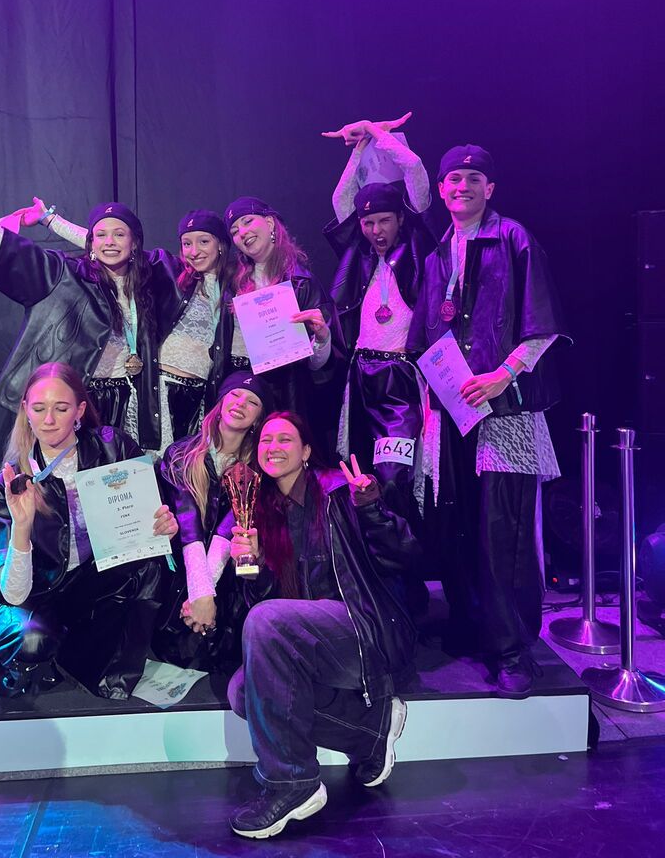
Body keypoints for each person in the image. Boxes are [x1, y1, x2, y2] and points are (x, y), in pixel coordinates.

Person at [407, 145, 568, 698]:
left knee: (505, 533)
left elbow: (543, 326)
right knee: (456, 526)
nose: (462, 187)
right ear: (442, 189)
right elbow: (426, 336)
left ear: (490, 189)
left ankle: (513, 650)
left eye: (473, 178)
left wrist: (503, 375)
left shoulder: (514, 238)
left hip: (506, 408)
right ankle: (472, 627)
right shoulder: (437, 253)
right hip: (453, 411)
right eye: (453, 179)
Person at [226, 411, 418, 839]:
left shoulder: (339, 491)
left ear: (307, 451)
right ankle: (370, 732)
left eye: (285, 439)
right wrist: (251, 566)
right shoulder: (262, 511)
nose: (273, 447)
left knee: (266, 623)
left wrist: (370, 507)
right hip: (312, 642)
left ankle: (291, 783)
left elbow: (405, 554)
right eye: (266, 441)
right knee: (241, 692)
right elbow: (263, 613)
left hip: (363, 629)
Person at [0, 162, 180, 451]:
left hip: (135, 401)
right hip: (82, 403)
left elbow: (147, 255)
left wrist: (50, 219)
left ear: (134, 243)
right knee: (74, 474)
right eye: (101, 235)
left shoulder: (151, 278)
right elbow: (2, 240)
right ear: (92, 242)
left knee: (130, 477)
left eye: (119, 234)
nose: (110, 242)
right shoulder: (66, 275)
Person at [0, 362, 179, 700]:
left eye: (61, 408)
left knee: (147, 568)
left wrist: (162, 526)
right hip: (26, 592)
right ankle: (27, 661)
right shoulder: (9, 483)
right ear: (26, 411)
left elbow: (146, 518)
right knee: (33, 638)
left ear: (80, 411)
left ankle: (96, 664)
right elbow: (13, 593)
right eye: (39, 409)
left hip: (82, 578)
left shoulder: (113, 448)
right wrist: (22, 526)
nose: (49, 420)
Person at [18, 198, 234, 457]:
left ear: (221, 245)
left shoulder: (237, 286)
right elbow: (108, 243)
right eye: (187, 243)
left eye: (204, 242)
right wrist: (51, 220)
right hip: (157, 391)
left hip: (199, 396)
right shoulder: (170, 274)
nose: (194, 251)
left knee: (186, 465)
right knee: (137, 463)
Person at [322, 112, 436, 541]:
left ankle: (407, 559)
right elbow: (342, 197)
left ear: (400, 219)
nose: (375, 229)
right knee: (359, 470)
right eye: (368, 222)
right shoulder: (360, 250)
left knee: (395, 474)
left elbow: (414, 170)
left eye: (383, 220)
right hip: (360, 375)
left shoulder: (419, 241)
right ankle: (371, 564)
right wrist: (359, 150)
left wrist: (374, 132)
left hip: (401, 376)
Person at [156, 371, 273, 671]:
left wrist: (204, 597)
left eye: (252, 402)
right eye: (235, 395)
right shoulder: (180, 454)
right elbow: (189, 528)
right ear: (220, 402)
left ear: (258, 418)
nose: (241, 404)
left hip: (229, 574)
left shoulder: (258, 468)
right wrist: (200, 593)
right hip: (182, 568)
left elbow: (226, 532)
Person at [211, 196, 341, 457]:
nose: (242, 233)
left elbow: (319, 367)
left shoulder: (303, 283)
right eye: (234, 231)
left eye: (248, 221)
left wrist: (322, 338)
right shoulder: (231, 283)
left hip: (285, 391)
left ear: (270, 223)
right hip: (238, 388)